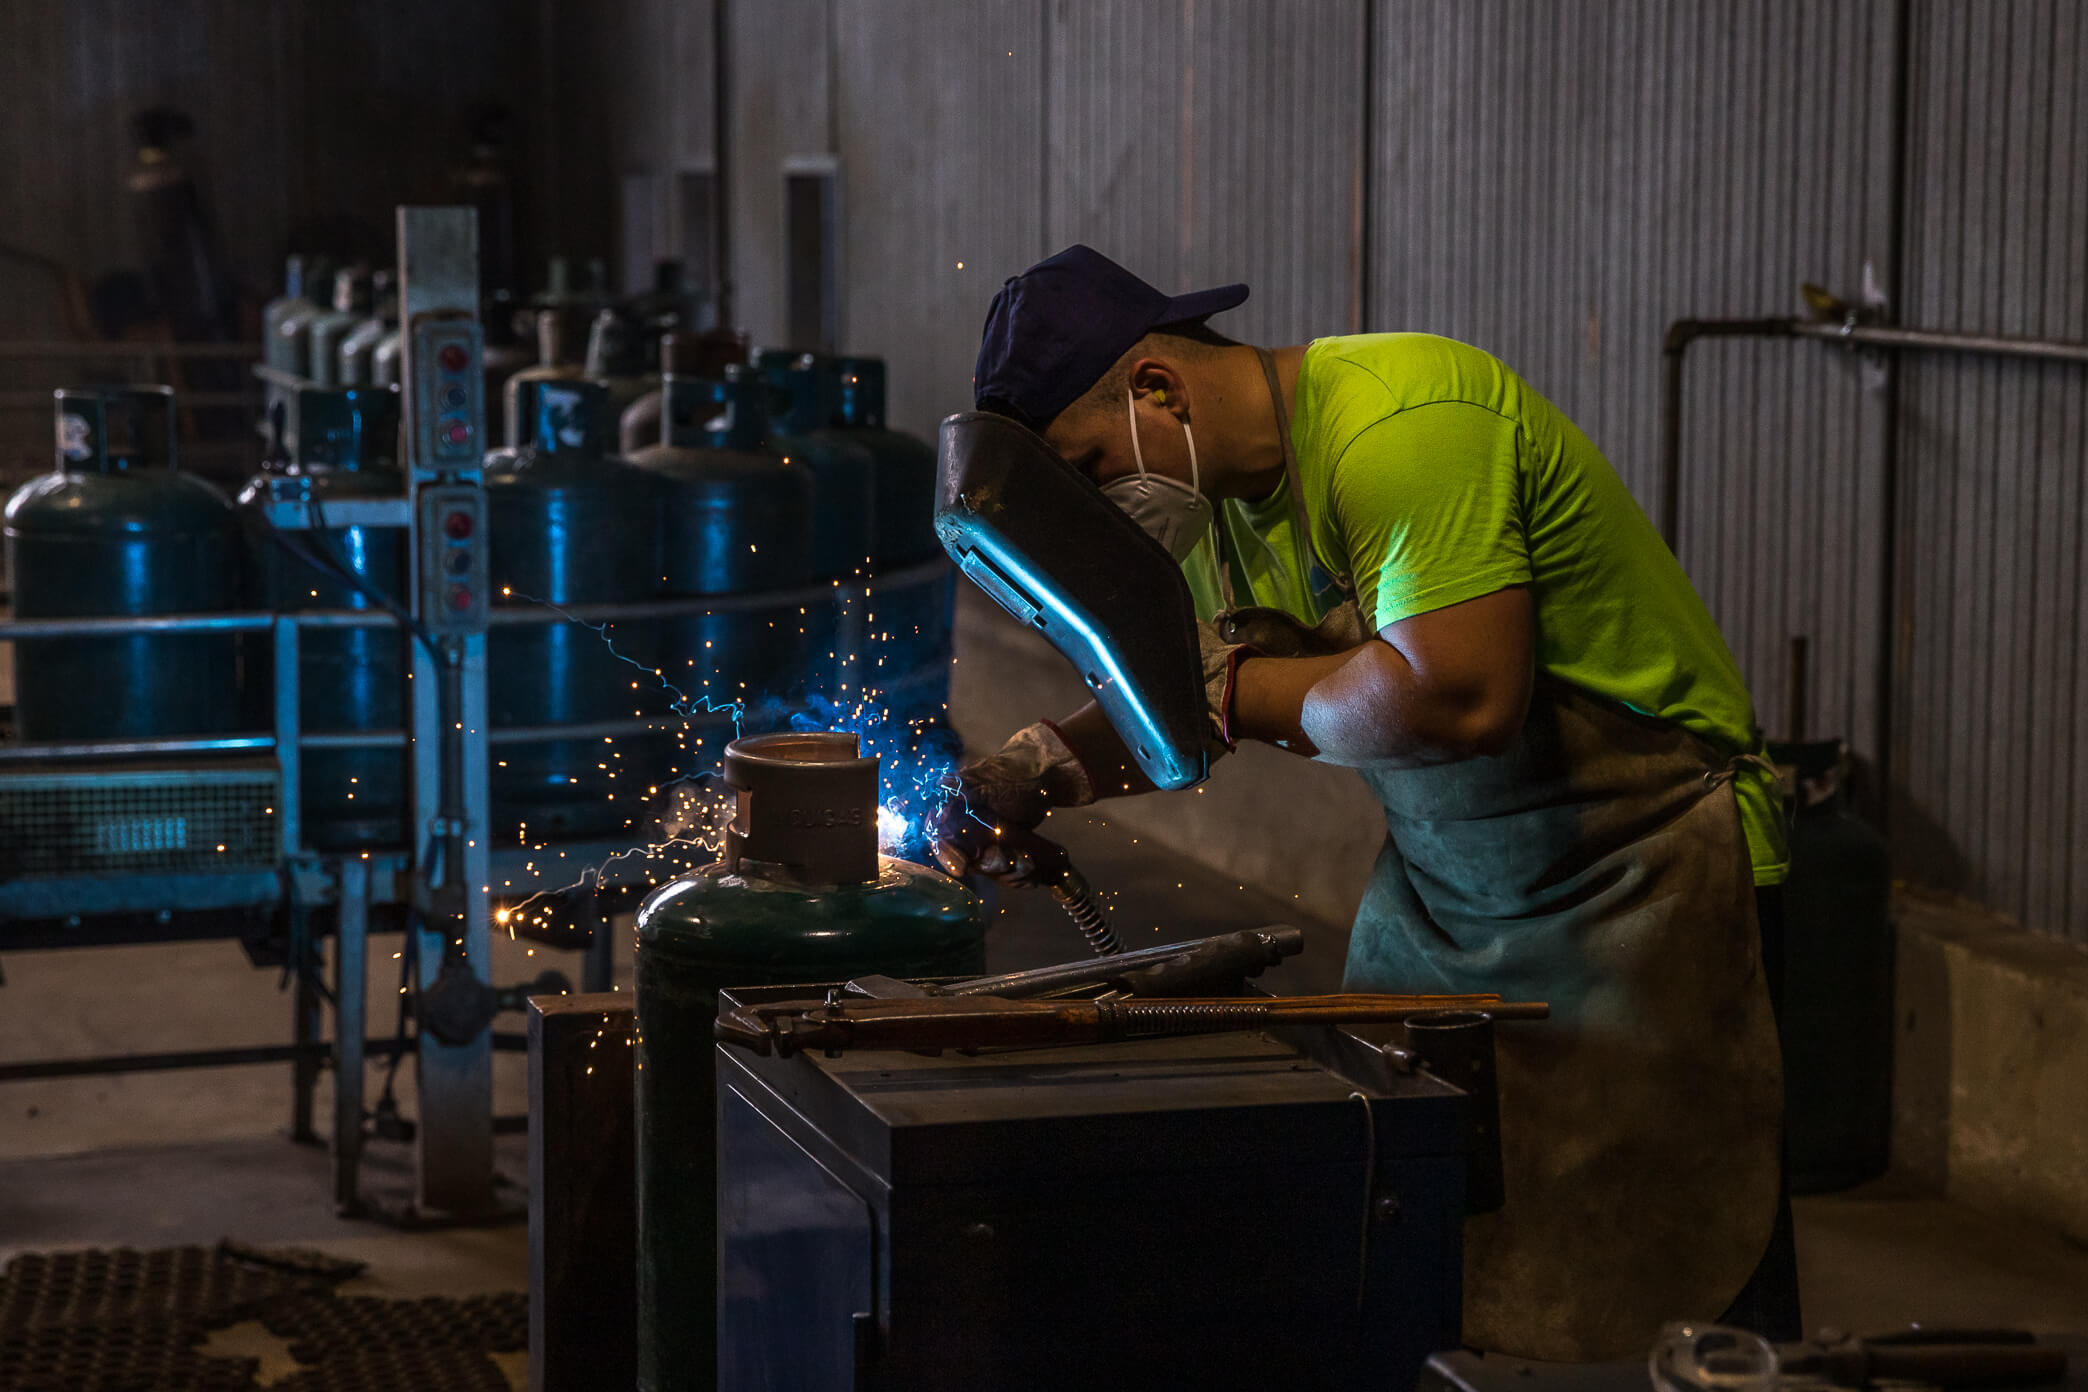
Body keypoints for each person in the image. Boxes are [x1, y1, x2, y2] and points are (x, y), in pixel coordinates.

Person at [940, 245, 1800, 1362]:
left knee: (1695, 1273)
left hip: (1649, 881)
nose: (1101, 501)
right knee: (1417, 1243)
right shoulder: (1208, 519)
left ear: (1158, 389)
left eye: (1091, 466)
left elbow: (1457, 699)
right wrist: (1041, 765)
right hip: (1454, 897)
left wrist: (1232, 693)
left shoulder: (1401, 426)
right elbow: (1183, 709)